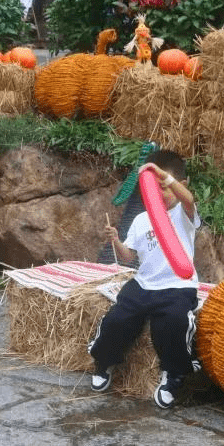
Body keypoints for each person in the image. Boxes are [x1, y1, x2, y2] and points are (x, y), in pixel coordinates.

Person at [89, 150, 200, 409]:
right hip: (144, 283)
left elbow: (189, 199)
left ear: (180, 185)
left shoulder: (184, 213)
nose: (161, 193)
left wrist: (163, 176)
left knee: (173, 322)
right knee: (118, 319)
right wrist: (115, 240)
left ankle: (173, 374)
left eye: (167, 187)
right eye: (156, 187)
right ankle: (104, 361)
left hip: (178, 286)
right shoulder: (141, 220)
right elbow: (128, 257)